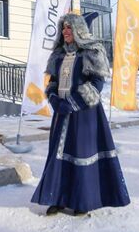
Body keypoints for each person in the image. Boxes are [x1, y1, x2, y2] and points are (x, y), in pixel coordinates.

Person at [31, 12, 130, 216]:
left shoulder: (91, 52)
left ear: (79, 30)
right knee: (58, 155)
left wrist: (74, 103)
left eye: (70, 27)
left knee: (81, 155)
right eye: (64, 27)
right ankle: (57, 198)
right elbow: (53, 83)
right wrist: (54, 99)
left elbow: (97, 84)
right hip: (62, 115)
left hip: (85, 115)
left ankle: (82, 201)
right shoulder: (58, 55)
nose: (66, 31)